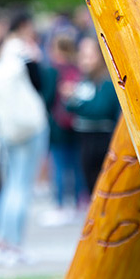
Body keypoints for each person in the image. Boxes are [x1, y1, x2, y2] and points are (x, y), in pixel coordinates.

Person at [0, 13, 49, 265]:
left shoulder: (0, 50)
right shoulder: (23, 49)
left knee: (10, 185)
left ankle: (2, 241)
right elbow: (40, 83)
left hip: (7, 128)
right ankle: (14, 244)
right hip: (30, 126)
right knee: (21, 186)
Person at [64, 36, 120, 193]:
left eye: (89, 56)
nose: (85, 60)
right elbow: (70, 105)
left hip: (101, 139)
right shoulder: (85, 80)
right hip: (85, 139)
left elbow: (99, 109)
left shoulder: (107, 81)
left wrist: (77, 103)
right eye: (82, 55)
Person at [43, 32, 85, 221]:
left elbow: (48, 98)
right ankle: (78, 202)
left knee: (59, 164)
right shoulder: (78, 68)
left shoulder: (53, 70)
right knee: (76, 164)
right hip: (76, 121)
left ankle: (60, 204)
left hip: (58, 123)